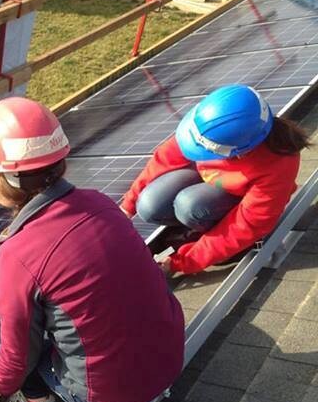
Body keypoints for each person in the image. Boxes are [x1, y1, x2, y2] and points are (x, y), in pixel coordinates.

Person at [0, 97, 185, 402]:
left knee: (0, 285)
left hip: (109, 394)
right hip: (170, 359)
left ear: (7, 179)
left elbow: (17, 355)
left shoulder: (18, 256)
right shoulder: (99, 203)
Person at [121, 84, 310, 275]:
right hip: (209, 184)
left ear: (240, 153)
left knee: (190, 205)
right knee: (148, 205)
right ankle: (201, 231)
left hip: (237, 204)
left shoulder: (278, 163)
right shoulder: (212, 123)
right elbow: (165, 158)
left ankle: (226, 245)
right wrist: (126, 207)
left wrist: (185, 261)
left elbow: (247, 224)